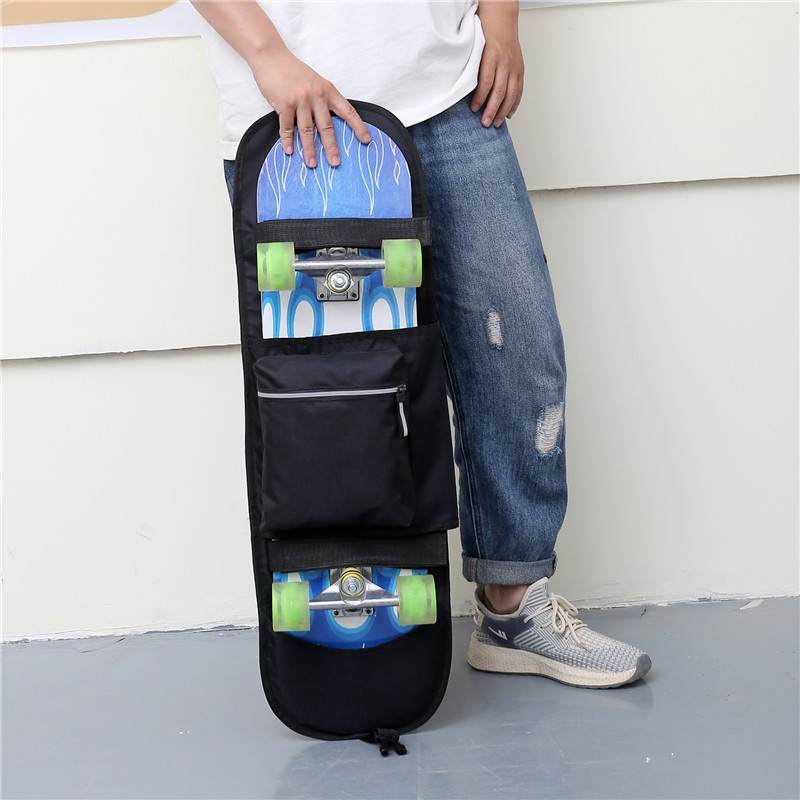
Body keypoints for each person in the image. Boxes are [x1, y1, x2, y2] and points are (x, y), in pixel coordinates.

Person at [192, 0, 651, 688]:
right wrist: (268, 56)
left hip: (451, 97)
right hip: (299, 121)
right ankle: (346, 642)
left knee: (520, 353)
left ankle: (513, 605)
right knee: (335, 398)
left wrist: (501, 18)